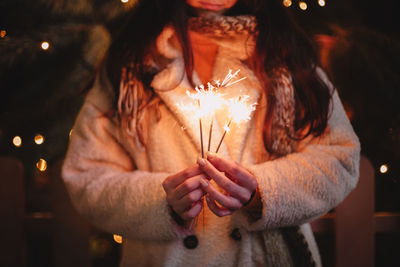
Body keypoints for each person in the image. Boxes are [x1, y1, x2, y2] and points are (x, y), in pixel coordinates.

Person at [61, 0, 360, 266]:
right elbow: (88, 176)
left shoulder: (286, 57)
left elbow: (338, 158)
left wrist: (263, 190)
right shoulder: (131, 64)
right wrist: (161, 202)